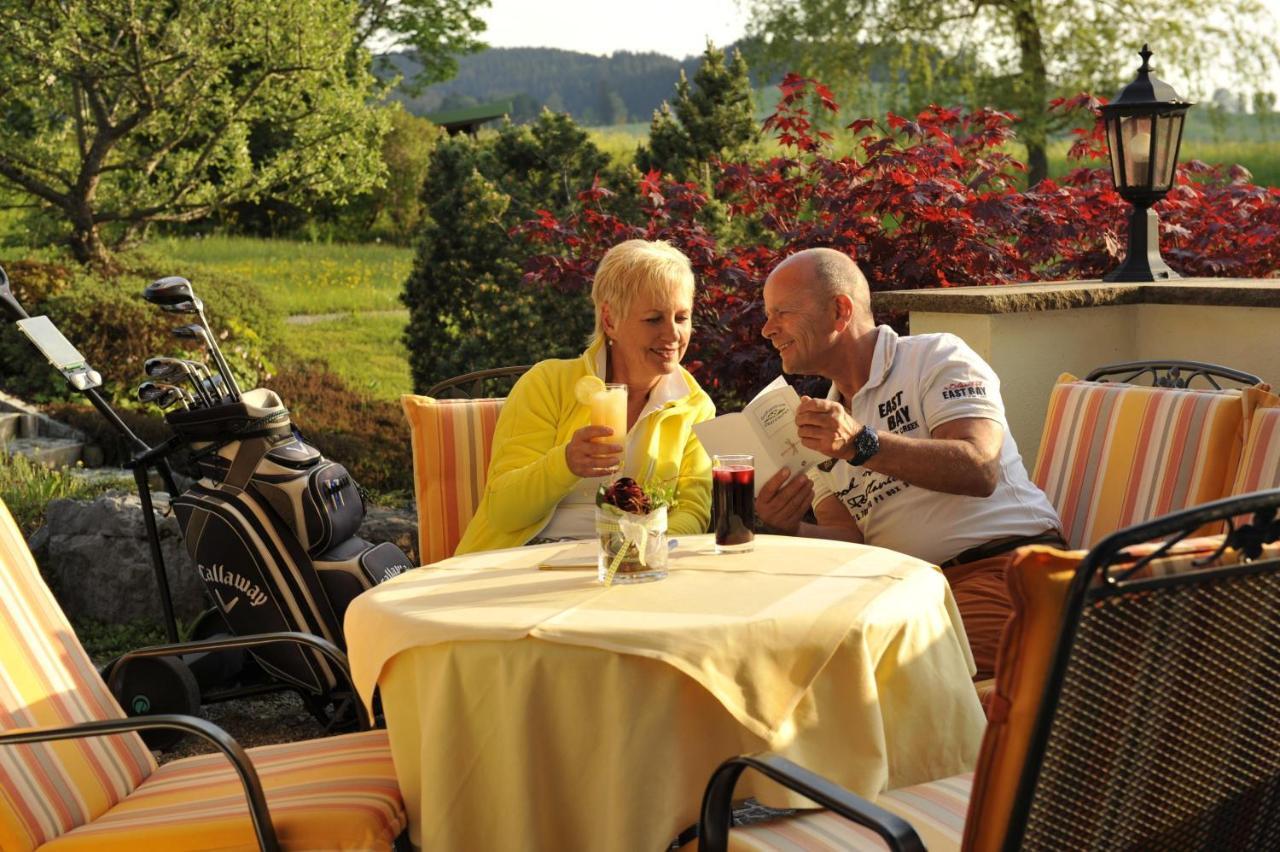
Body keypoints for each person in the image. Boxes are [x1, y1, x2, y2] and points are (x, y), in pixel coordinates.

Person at [754, 248, 1062, 680]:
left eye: (782, 312)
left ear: (840, 310)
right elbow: (851, 540)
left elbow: (979, 466)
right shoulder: (819, 424)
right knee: (791, 671)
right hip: (906, 597)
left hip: (1001, 573)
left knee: (895, 690)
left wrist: (861, 443)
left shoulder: (935, 358)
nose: (768, 329)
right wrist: (788, 527)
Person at [455, 239, 715, 554]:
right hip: (524, 563)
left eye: (681, 317)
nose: (673, 334)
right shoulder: (547, 384)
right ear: (610, 320)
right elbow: (504, 510)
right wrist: (565, 463)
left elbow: (692, 512)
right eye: (654, 319)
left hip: (630, 567)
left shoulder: (694, 406)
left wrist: (645, 548)